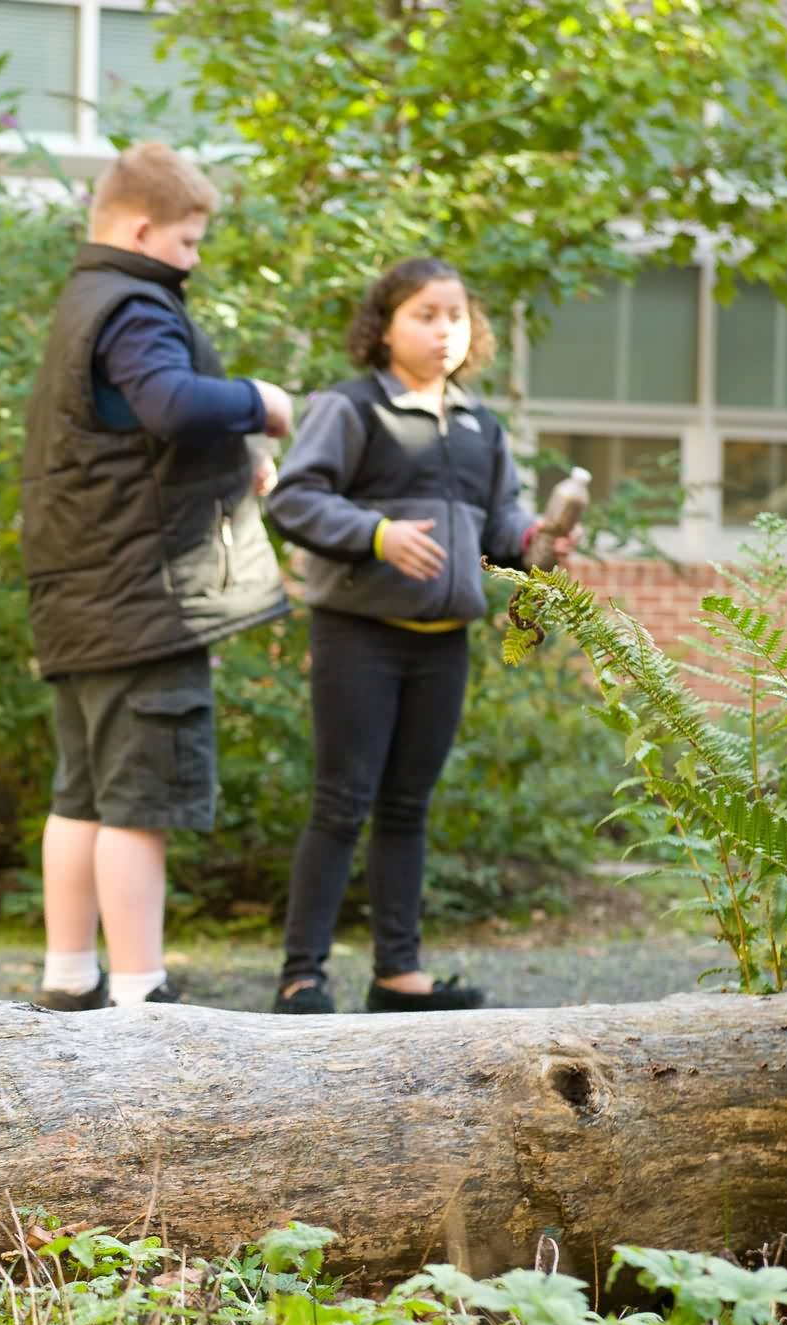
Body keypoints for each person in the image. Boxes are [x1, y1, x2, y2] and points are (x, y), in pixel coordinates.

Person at [19, 141, 293, 1012]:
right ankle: (144, 998)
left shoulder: (82, 304)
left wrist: (233, 452)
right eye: (189, 241)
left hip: (79, 595)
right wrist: (261, 402)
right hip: (146, 599)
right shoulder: (136, 306)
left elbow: (125, 440)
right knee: (140, 804)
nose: (195, 259)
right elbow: (170, 404)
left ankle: (70, 979)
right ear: (142, 228)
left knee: (83, 796)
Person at [267, 257, 573, 1017]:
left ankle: (398, 974)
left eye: (456, 316)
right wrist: (376, 534)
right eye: (425, 315)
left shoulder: (480, 426)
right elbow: (295, 499)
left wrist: (537, 540)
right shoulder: (351, 409)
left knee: (408, 806)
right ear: (385, 326)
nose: (444, 330)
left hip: (443, 644)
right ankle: (302, 976)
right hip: (357, 634)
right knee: (342, 802)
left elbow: (499, 529)